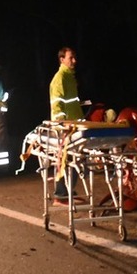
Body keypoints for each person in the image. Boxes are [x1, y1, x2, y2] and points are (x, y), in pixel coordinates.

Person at [49, 46, 84, 204]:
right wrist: (62, 125)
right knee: (66, 160)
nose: (74, 61)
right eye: (71, 58)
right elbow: (57, 104)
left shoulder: (70, 77)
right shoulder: (60, 78)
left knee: (75, 160)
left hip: (75, 125)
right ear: (62, 59)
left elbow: (71, 103)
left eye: (74, 58)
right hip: (66, 128)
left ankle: (67, 190)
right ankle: (61, 193)